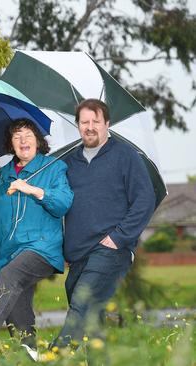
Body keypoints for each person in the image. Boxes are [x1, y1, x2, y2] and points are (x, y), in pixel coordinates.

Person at [0, 118, 73, 359]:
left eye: (28, 135)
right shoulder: (2, 176)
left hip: (40, 249)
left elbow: (63, 203)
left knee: (10, 277)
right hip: (7, 254)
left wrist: (32, 189)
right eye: (17, 136)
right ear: (10, 144)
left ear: (38, 141)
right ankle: (30, 357)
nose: (23, 140)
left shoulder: (53, 168)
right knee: (19, 323)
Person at [53, 99, 155, 350]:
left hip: (111, 249)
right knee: (91, 321)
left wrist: (118, 238)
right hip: (78, 254)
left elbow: (145, 200)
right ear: (77, 126)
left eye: (95, 121)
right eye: (84, 122)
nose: (90, 127)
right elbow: (53, 198)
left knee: (81, 303)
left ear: (107, 124)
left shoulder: (126, 156)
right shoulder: (68, 164)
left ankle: (57, 353)